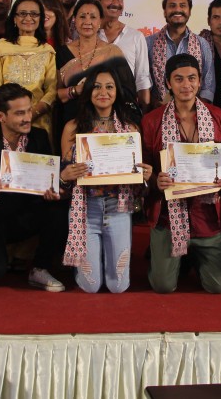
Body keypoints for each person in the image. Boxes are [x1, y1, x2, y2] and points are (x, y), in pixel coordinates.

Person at [142, 54, 221, 294]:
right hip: (168, 216)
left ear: (200, 81)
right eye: (178, 79)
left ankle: (190, 257)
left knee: (219, 286)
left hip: (207, 215)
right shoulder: (152, 121)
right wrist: (156, 180)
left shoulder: (218, 116)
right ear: (168, 83)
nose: (186, 85)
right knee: (163, 286)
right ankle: (165, 256)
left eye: (192, 78)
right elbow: (144, 167)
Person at [60, 64, 152, 293]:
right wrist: (65, 175)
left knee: (118, 286)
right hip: (86, 207)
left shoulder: (130, 129)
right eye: (97, 87)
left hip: (118, 207)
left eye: (109, 87)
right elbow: (63, 174)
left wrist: (144, 176)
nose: (103, 92)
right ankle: (87, 264)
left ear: (117, 91)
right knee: (90, 286)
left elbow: (137, 176)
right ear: (89, 91)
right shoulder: (72, 128)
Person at [0, 83, 68, 291]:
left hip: (27, 214)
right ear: (1, 116)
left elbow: (47, 179)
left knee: (59, 209)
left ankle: (40, 268)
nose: (28, 118)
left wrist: (51, 191)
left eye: (29, 110)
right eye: (20, 113)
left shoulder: (39, 137)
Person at [56, 0, 132, 133]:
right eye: (82, 17)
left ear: (100, 21)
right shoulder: (62, 52)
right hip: (71, 124)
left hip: (106, 125)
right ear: (74, 19)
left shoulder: (112, 51)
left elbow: (127, 92)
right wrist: (75, 90)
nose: (87, 22)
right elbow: (55, 94)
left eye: (93, 17)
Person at [0, 0, 57, 136]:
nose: (28, 18)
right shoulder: (0, 47)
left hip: (39, 121)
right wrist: (13, 115)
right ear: (14, 18)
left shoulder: (47, 50)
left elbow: (52, 90)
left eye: (34, 14)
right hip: (7, 121)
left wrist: (32, 113)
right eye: (23, 13)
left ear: (40, 18)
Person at [146, 0, 215, 107]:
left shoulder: (202, 44)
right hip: (158, 110)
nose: (177, 9)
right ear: (165, 12)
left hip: (196, 112)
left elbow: (208, 86)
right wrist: (159, 109)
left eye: (182, 5)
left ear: (189, 11)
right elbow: (144, 83)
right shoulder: (148, 43)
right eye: (172, 6)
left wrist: (195, 111)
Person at [95, 0, 152, 110]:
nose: (115, 3)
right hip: (94, 107)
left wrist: (144, 111)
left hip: (126, 108)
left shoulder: (135, 37)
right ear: (98, 2)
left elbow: (142, 78)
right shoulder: (88, 35)